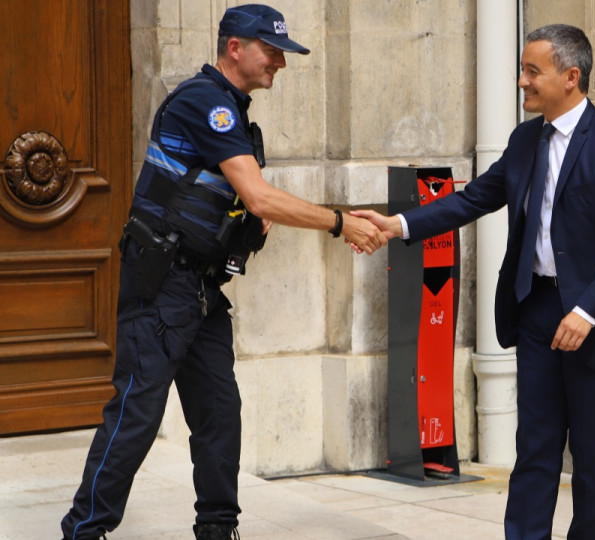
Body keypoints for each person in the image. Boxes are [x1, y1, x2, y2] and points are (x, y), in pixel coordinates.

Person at [60, 5, 385, 540]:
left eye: (283, 53)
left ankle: (217, 528)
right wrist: (339, 223)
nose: (280, 62)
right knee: (137, 413)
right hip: (163, 283)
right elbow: (259, 196)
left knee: (218, 411)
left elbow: (250, 209)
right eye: (271, 50)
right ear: (234, 47)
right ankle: (83, 530)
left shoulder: (233, 111)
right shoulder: (205, 102)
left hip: (201, 289)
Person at [354, 23, 595, 540]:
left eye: (532, 71)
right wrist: (399, 225)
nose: (521, 81)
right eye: (521, 69)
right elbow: (474, 197)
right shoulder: (526, 139)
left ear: (571, 76)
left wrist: (586, 312)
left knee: (592, 457)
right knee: (535, 447)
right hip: (538, 310)